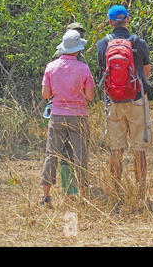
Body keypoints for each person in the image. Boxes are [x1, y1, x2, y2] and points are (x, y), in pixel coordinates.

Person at [97, 5, 152, 208]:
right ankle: (140, 195)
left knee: (116, 150)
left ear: (110, 22)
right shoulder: (139, 43)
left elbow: (103, 72)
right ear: (127, 20)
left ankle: (115, 193)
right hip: (137, 100)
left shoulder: (102, 45)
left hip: (113, 102)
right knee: (139, 149)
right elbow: (145, 73)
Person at [40, 29, 95, 206]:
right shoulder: (83, 68)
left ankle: (46, 196)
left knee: (52, 154)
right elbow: (90, 97)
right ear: (78, 49)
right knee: (81, 155)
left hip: (57, 114)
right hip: (78, 115)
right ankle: (83, 195)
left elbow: (45, 94)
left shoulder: (51, 67)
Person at [50, 22, 87, 196]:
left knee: (70, 151)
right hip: (67, 110)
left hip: (61, 110)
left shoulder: (71, 55)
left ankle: (73, 187)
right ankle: (69, 188)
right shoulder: (61, 56)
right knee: (66, 151)